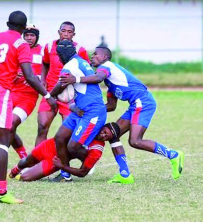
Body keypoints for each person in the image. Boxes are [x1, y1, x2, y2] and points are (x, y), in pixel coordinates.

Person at [59, 46, 185, 183]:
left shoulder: (106, 67)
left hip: (143, 102)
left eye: (96, 54)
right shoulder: (110, 81)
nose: (92, 56)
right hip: (134, 105)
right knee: (112, 133)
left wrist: (76, 79)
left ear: (105, 57)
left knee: (135, 141)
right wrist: (88, 111)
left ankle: (174, 155)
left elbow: (98, 78)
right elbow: (111, 106)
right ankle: (125, 175)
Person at [0, 11, 57, 204]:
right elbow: (29, 76)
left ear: (7, 23)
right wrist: (48, 95)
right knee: (3, 140)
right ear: (24, 28)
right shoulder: (20, 44)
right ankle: (1, 191)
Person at [0, 24, 43, 172]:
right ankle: (22, 157)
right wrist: (13, 75)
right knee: (6, 127)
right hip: (10, 93)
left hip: (28, 98)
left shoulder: (43, 52)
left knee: (10, 125)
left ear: (37, 37)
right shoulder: (17, 47)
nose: (29, 38)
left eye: (32, 35)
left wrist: (39, 79)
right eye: (27, 35)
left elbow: (47, 71)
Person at [48, 40, 107, 182]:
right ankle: (65, 175)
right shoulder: (81, 61)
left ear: (61, 55)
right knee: (60, 138)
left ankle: (88, 163)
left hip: (93, 112)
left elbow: (61, 85)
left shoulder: (69, 65)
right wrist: (72, 105)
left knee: (73, 146)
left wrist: (50, 96)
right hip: (79, 110)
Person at [35, 21, 90, 146]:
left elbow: (87, 70)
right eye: (63, 31)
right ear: (58, 32)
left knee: (67, 132)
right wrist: (43, 79)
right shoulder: (49, 46)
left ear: (73, 34)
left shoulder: (80, 50)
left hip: (69, 95)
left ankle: (62, 162)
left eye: (69, 32)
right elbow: (45, 63)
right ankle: (37, 161)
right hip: (50, 92)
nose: (66, 34)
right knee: (42, 127)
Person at [9, 123, 119, 181]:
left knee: (25, 178)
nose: (103, 135)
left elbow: (83, 173)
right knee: (26, 162)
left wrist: (62, 166)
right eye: (104, 132)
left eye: (107, 136)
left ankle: (27, 172)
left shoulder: (97, 150)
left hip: (57, 160)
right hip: (50, 145)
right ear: (102, 127)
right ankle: (14, 171)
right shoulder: (88, 126)